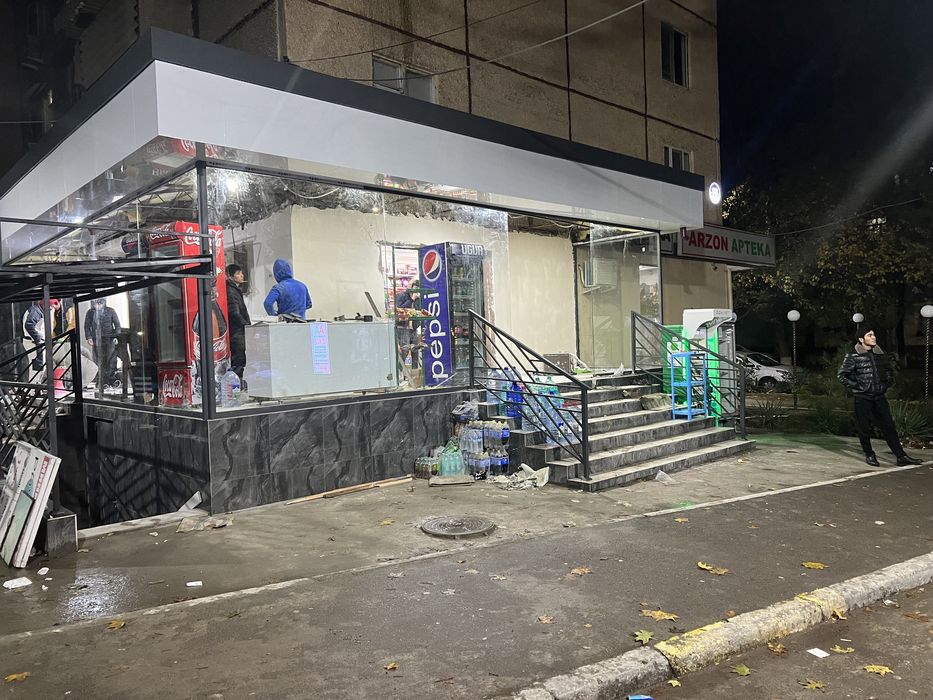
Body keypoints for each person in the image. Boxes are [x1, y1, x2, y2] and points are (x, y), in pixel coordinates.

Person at [837, 327, 924, 467]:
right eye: (869, 335)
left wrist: (886, 384)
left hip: (879, 397)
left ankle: (901, 456)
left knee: (889, 426)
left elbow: (888, 371)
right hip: (863, 398)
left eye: (873, 334)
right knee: (864, 428)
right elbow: (842, 376)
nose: (873, 337)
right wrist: (859, 387)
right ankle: (869, 454)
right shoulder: (853, 356)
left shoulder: (879, 353)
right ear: (861, 339)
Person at [85, 298, 122, 389]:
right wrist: (89, 337)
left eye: (99, 304)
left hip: (110, 338)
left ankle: (111, 380)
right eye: (95, 304)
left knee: (111, 360)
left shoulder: (110, 311)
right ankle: (102, 381)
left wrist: (116, 337)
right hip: (97, 339)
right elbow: (87, 326)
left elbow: (117, 324)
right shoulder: (90, 312)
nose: (97, 306)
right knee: (99, 361)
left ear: (103, 304)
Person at [22, 298, 61, 376]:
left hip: (36, 341)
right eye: (51, 308)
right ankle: (35, 383)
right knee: (37, 368)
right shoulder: (36, 311)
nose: (52, 310)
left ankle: (37, 383)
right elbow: (29, 325)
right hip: (34, 342)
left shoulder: (38, 310)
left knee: (39, 367)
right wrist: (38, 339)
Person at [226, 263, 251, 379]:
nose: (242, 275)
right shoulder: (231, 291)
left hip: (238, 332)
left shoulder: (235, 290)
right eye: (238, 273)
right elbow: (234, 313)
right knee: (238, 361)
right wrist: (245, 325)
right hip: (237, 333)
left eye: (241, 273)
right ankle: (236, 384)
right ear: (231, 276)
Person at [395, 278, 421, 369]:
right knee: (404, 351)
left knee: (415, 352)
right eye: (415, 287)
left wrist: (419, 324)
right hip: (403, 328)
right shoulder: (402, 296)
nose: (416, 290)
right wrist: (411, 299)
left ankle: (415, 373)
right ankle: (399, 371)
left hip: (413, 328)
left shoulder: (418, 299)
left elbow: (419, 312)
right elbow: (399, 310)